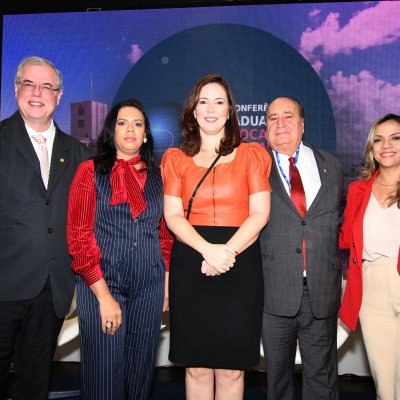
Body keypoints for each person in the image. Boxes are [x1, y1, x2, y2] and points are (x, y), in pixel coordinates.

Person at [161, 74, 271, 400]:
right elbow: (173, 216)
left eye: (219, 102)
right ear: (193, 111)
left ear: (229, 111)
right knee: (195, 366)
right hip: (192, 262)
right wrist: (208, 250)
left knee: (231, 368)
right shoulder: (175, 159)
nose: (211, 109)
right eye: (203, 101)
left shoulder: (253, 155)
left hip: (240, 263)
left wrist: (227, 252)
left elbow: (260, 213)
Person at [67, 98, 173, 400]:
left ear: (146, 134)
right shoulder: (89, 171)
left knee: (139, 376)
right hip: (102, 282)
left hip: (149, 285)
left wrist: (164, 286)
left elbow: (165, 237)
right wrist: (103, 297)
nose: (130, 129)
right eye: (123, 123)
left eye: (138, 124)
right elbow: (78, 236)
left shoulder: (159, 175)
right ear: (111, 130)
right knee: (103, 375)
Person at [0, 56, 90, 400]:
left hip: (51, 289)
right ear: (16, 89)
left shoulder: (79, 153)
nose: (37, 93)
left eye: (46, 86)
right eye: (29, 84)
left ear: (59, 94)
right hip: (3, 285)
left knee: (34, 382)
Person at [260, 97, 343, 400]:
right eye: (272, 118)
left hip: (321, 290)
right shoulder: (256, 169)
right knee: (277, 381)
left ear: (302, 124)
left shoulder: (331, 166)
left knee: (322, 378)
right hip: (274, 290)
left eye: (288, 116)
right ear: (265, 128)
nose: (280, 124)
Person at [339, 114, 400, 400]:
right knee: (385, 385)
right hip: (371, 287)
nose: (386, 145)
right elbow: (344, 238)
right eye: (378, 139)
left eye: (395, 137)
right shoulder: (357, 190)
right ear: (371, 148)